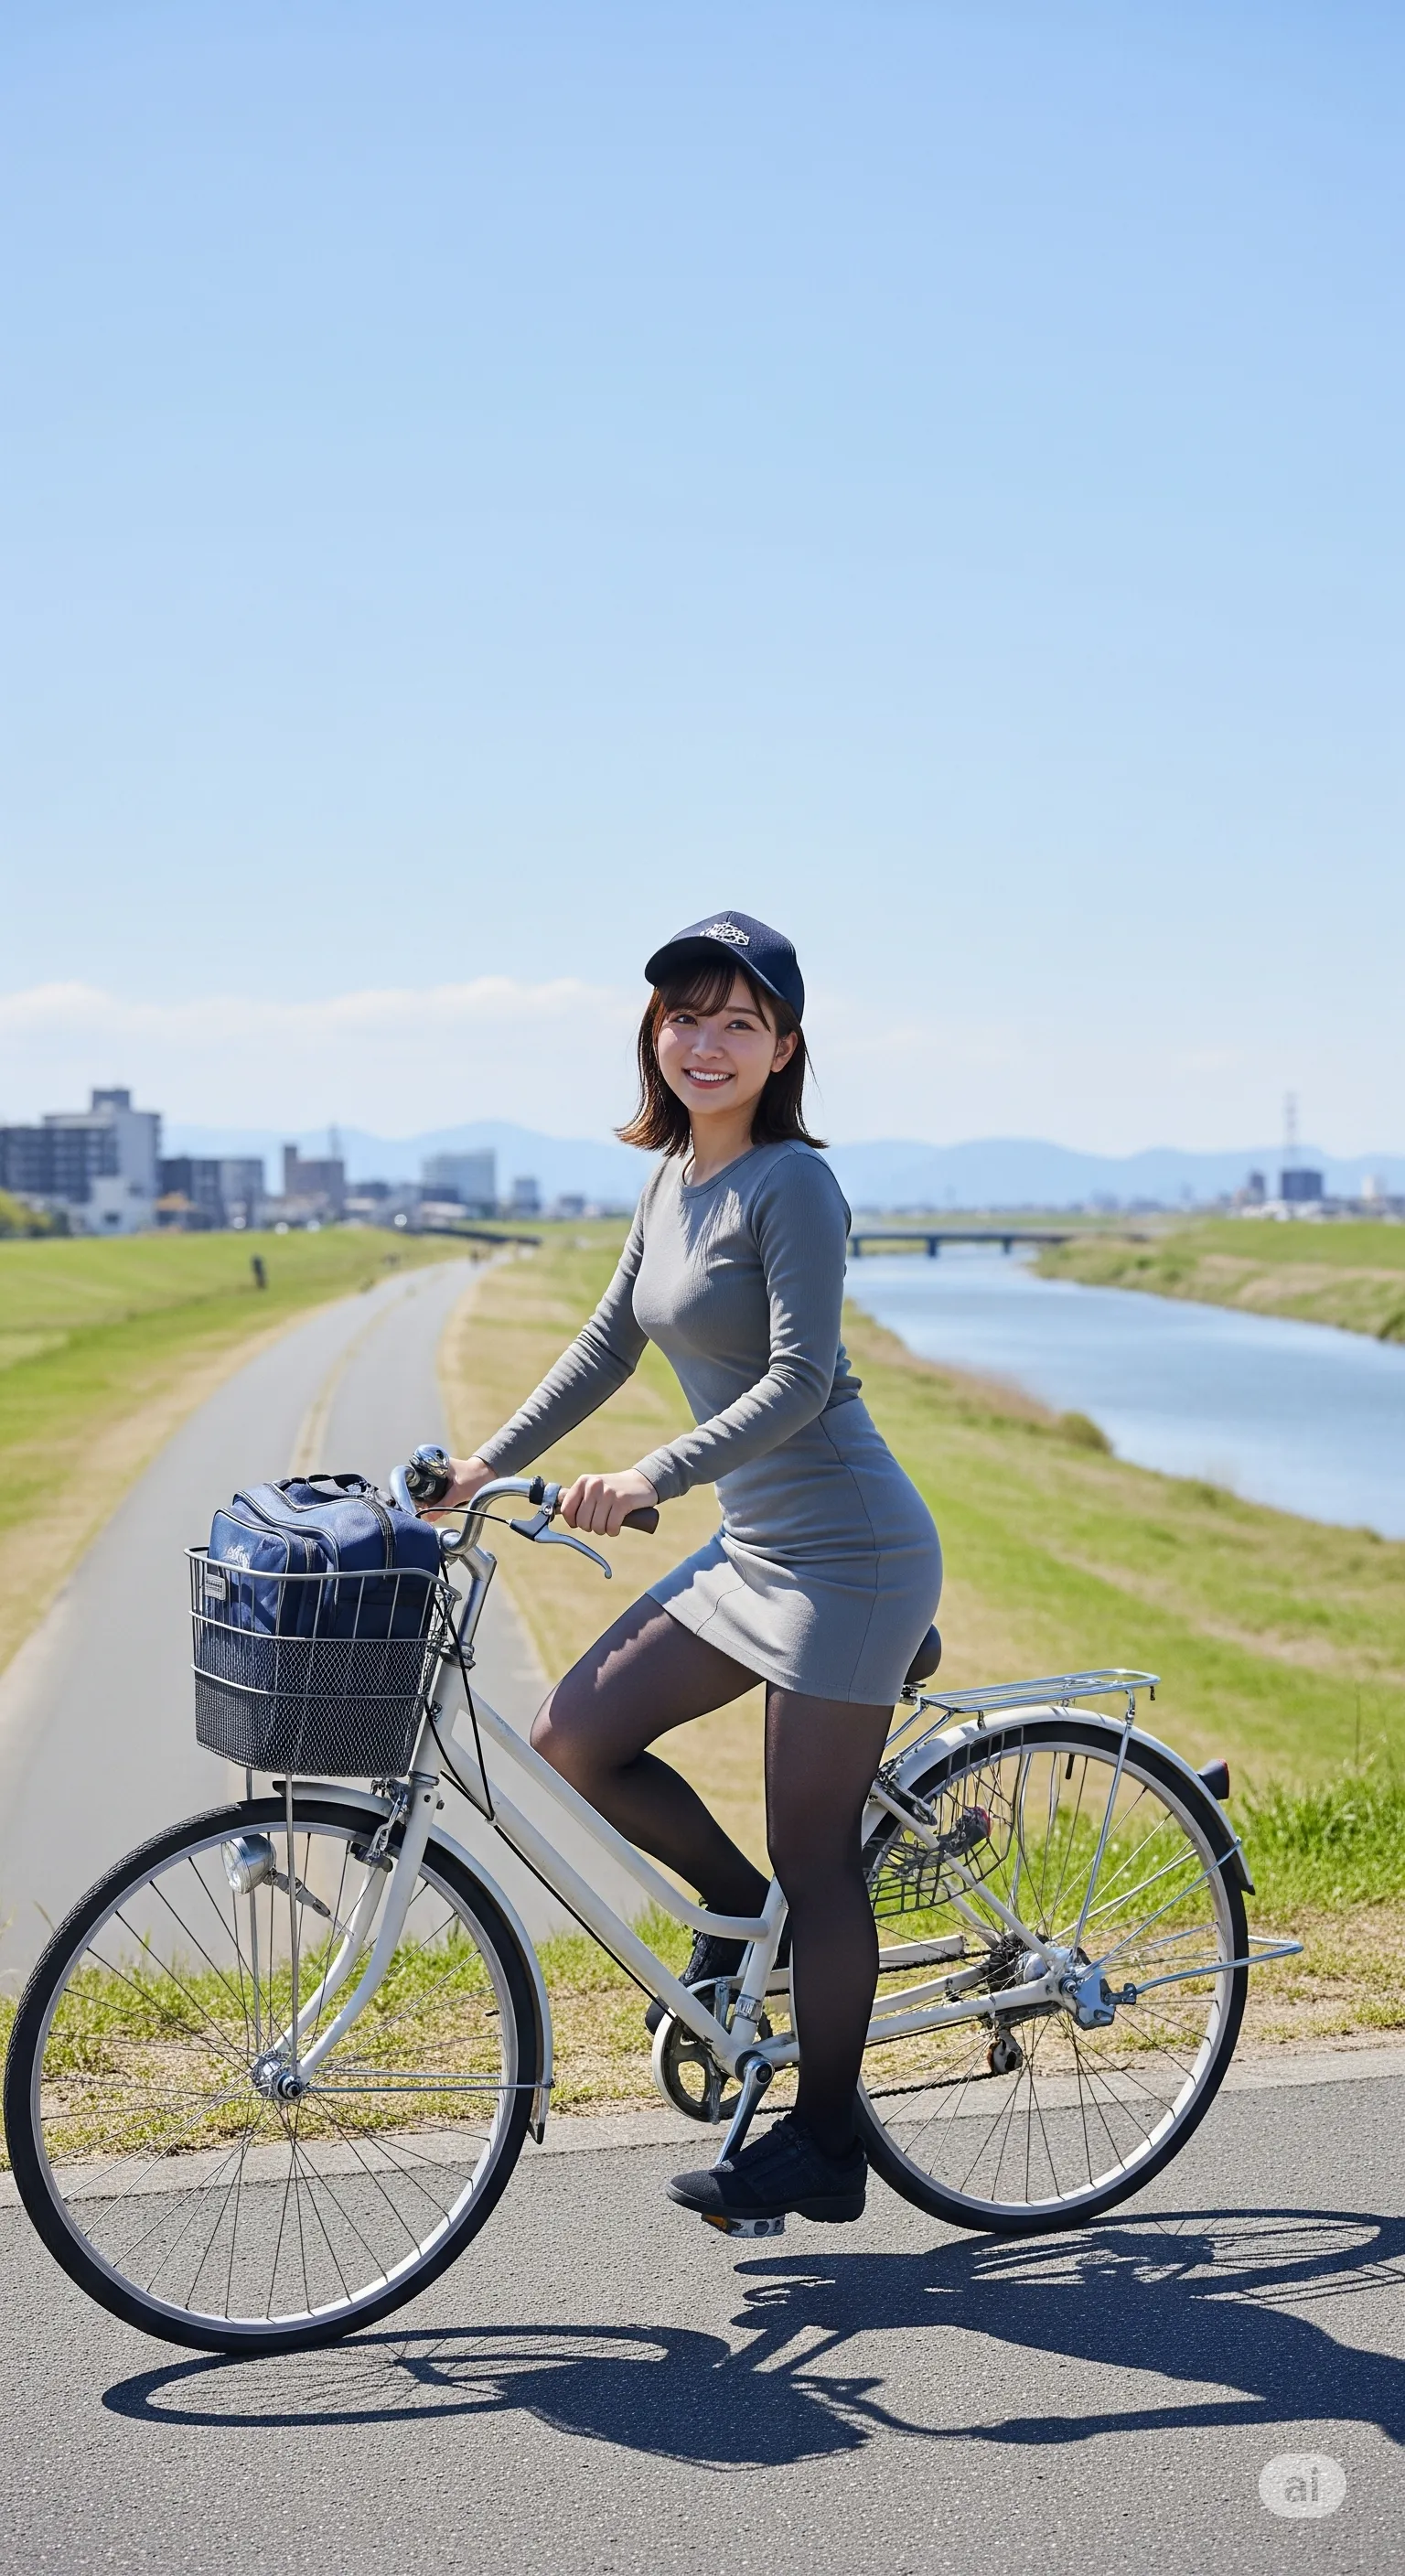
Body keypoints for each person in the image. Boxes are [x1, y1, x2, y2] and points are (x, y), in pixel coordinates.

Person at [432, 910, 941, 2229]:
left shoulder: (792, 1186)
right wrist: (481, 1469)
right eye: (683, 1017)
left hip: (849, 1555)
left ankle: (827, 2145)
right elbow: (604, 1347)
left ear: (783, 1049)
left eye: (737, 1022)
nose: (704, 1042)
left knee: (815, 1852)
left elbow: (800, 1381)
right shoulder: (667, 1182)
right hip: (757, 1547)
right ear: (653, 1037)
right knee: (573, 1734)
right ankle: (739, 1924)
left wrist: (654, 1475)